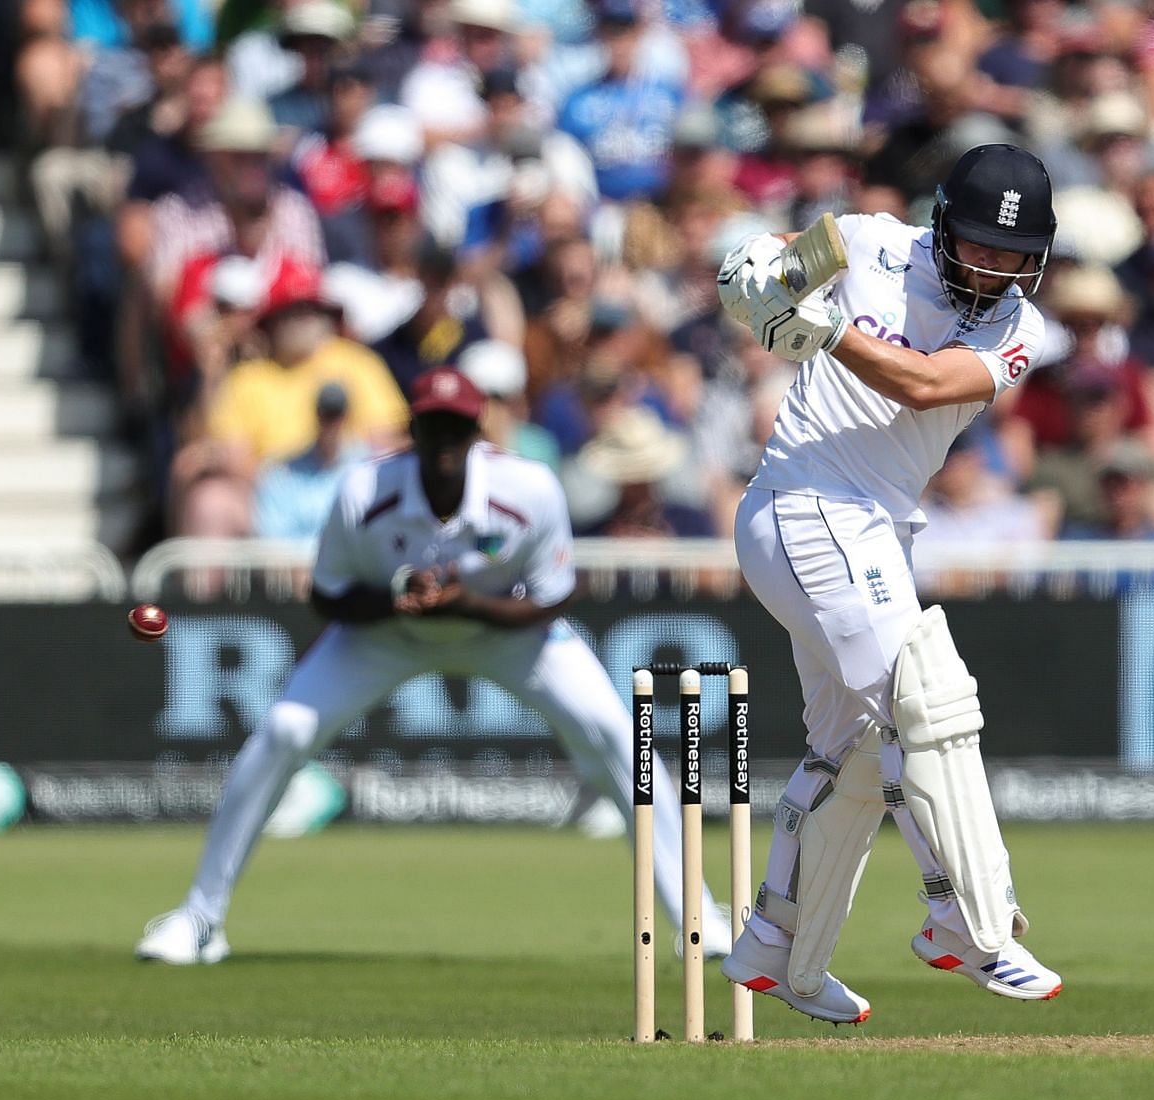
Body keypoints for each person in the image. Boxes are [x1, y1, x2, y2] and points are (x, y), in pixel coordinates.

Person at [136, 367, 732, 965]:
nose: (446, 442)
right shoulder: (363, 492)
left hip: (508, 633)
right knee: (286, 730)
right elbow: (328, 596)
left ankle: (696, 916)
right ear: (412, 431)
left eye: (458, 428)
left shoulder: (528, 488)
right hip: (388, 634)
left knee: (616, 737)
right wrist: (395, 598)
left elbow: (553, 598)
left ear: (477, 431)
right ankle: (200, 918)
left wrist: (469, 603)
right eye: (433, 427)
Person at [711, 144, 1065, 1023]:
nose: (993, 269)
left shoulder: (1021, 329)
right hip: (803, 499)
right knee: (927, 702)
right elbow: (766, 266)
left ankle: (777, 948)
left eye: (1014, 256)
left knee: (857, 750)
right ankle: (969, 923)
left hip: (875, 526)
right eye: (979, 245)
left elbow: (923, 384)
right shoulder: (867, 242)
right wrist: (753, 271)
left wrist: (827, 331)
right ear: (942, 223)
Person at [252, 383, 366, 541]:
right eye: (326, 415)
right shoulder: (282, 475)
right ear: (317, 415)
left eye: (337, 415)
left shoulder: (367, 468)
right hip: (296, 563)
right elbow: (273, 539)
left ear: (347, 417)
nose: (332, 424)